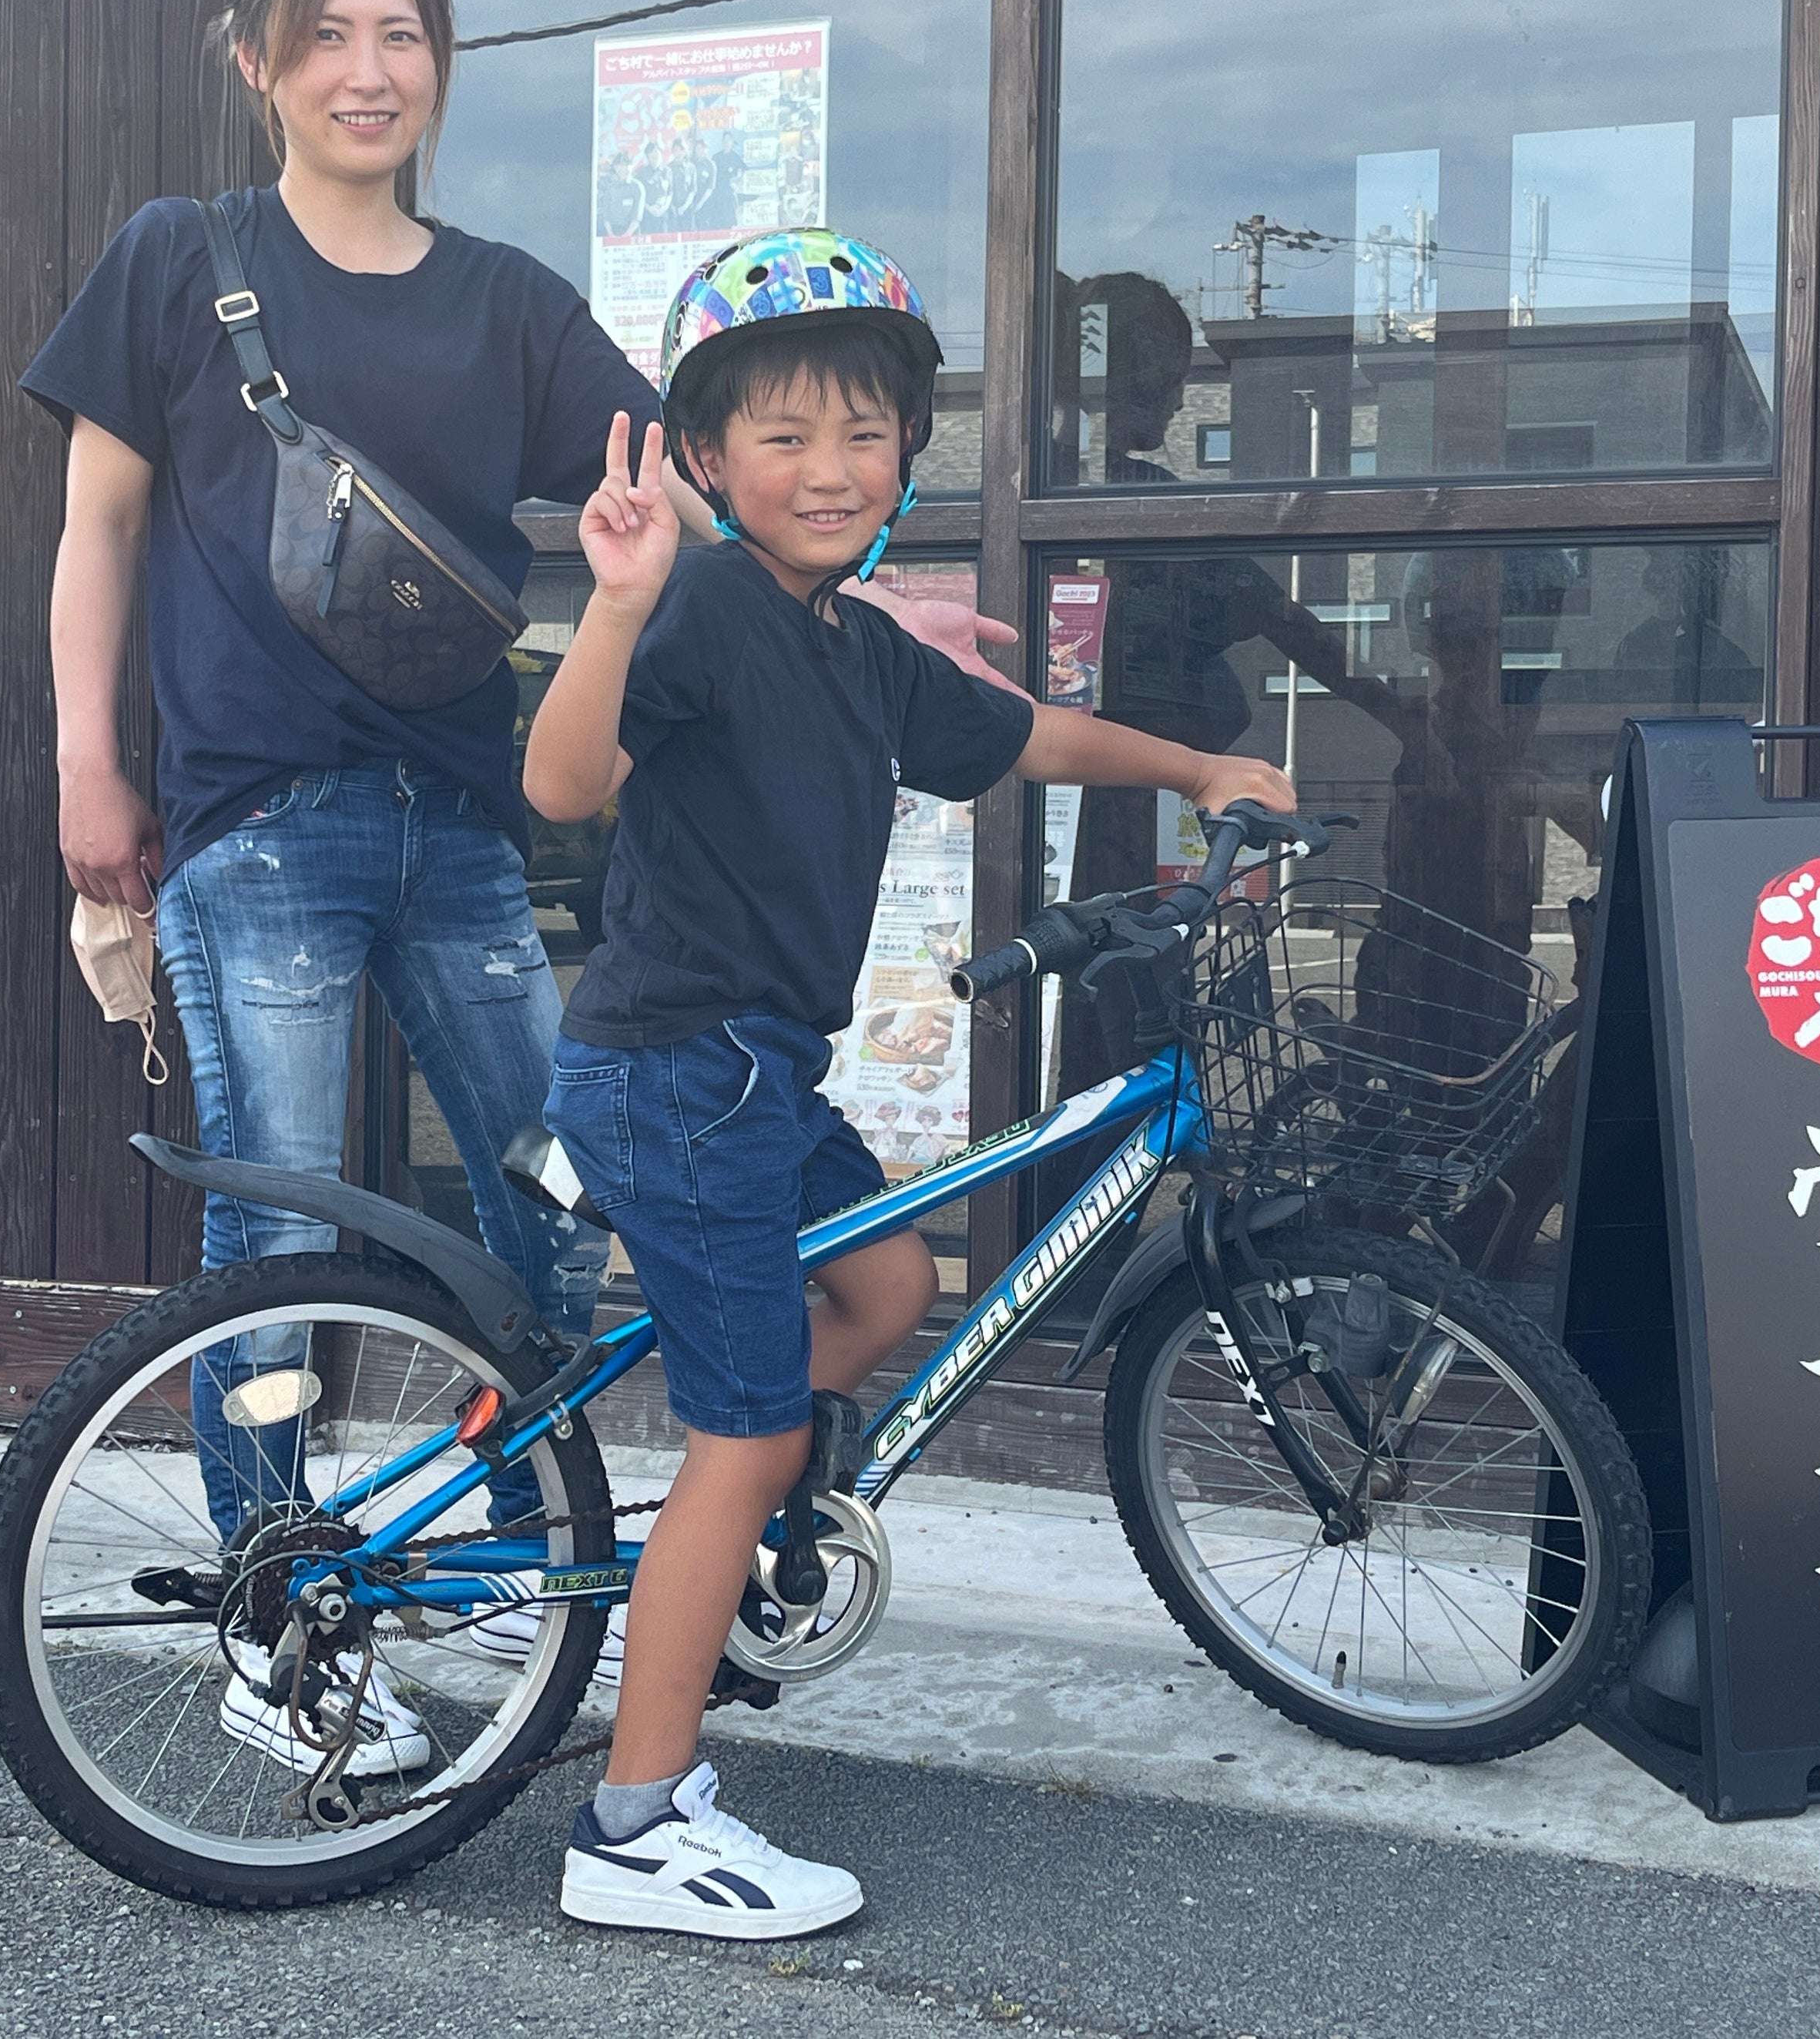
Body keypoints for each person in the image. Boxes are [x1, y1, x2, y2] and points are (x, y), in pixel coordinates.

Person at [25, 0, 1015, 1786]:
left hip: (468, 820)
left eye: (401, 35)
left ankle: (502, 1561)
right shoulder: (182, 260)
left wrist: (889, 614)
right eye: (327, 36)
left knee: (552, 1201)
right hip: (254, 819)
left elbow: (718, 511)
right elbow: (100, 530)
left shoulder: (508, 303)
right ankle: (276, 1614)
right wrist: (89, 764)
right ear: (260, 63)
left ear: (443, 65)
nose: (367, 69)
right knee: (277, 1215)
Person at [527, 229, 1297, 1937]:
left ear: (902, 456)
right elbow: (567, 777)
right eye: (783, 435)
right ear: (709, 461)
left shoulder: (849, 643)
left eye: (865, 431)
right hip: (674, 1072)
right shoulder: (709, 605)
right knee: (753, 1424)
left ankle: (679, 1549)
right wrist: (621, 597)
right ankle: (636, 1823)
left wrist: (1198, 767)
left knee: (881, 1284)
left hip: (749, 1074)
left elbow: (1018, 732)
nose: (829, 466)